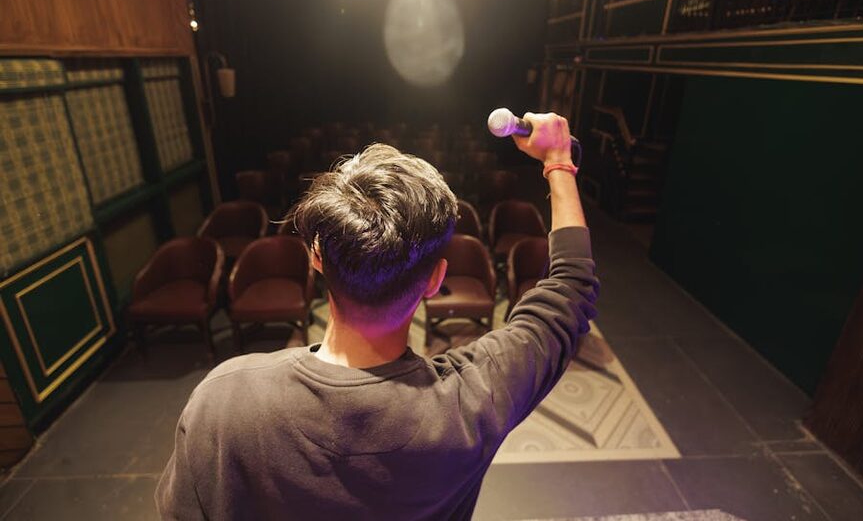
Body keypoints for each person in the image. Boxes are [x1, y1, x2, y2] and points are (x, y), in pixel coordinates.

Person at [156, 112, 599, 520]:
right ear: (434, 279)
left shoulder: (225, 402)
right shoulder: (474, 400)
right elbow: (570, 289)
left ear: (316, 258)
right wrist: (558, 161)